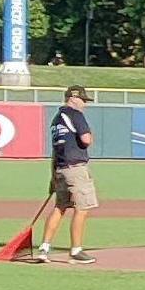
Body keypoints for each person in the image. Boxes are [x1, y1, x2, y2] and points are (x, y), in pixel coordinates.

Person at [34, 86, 98, 262]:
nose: (84, 104)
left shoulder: (57, 119)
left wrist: (53, 177)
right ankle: (76, 250)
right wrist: (90, 135)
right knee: (82, 207)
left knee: (60, 207)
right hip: (76, 168)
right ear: (73, 98)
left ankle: (44, 248)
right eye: (83, 100)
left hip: (60, 168)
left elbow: (55, 150)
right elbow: (86, 140)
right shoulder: (75, 115)